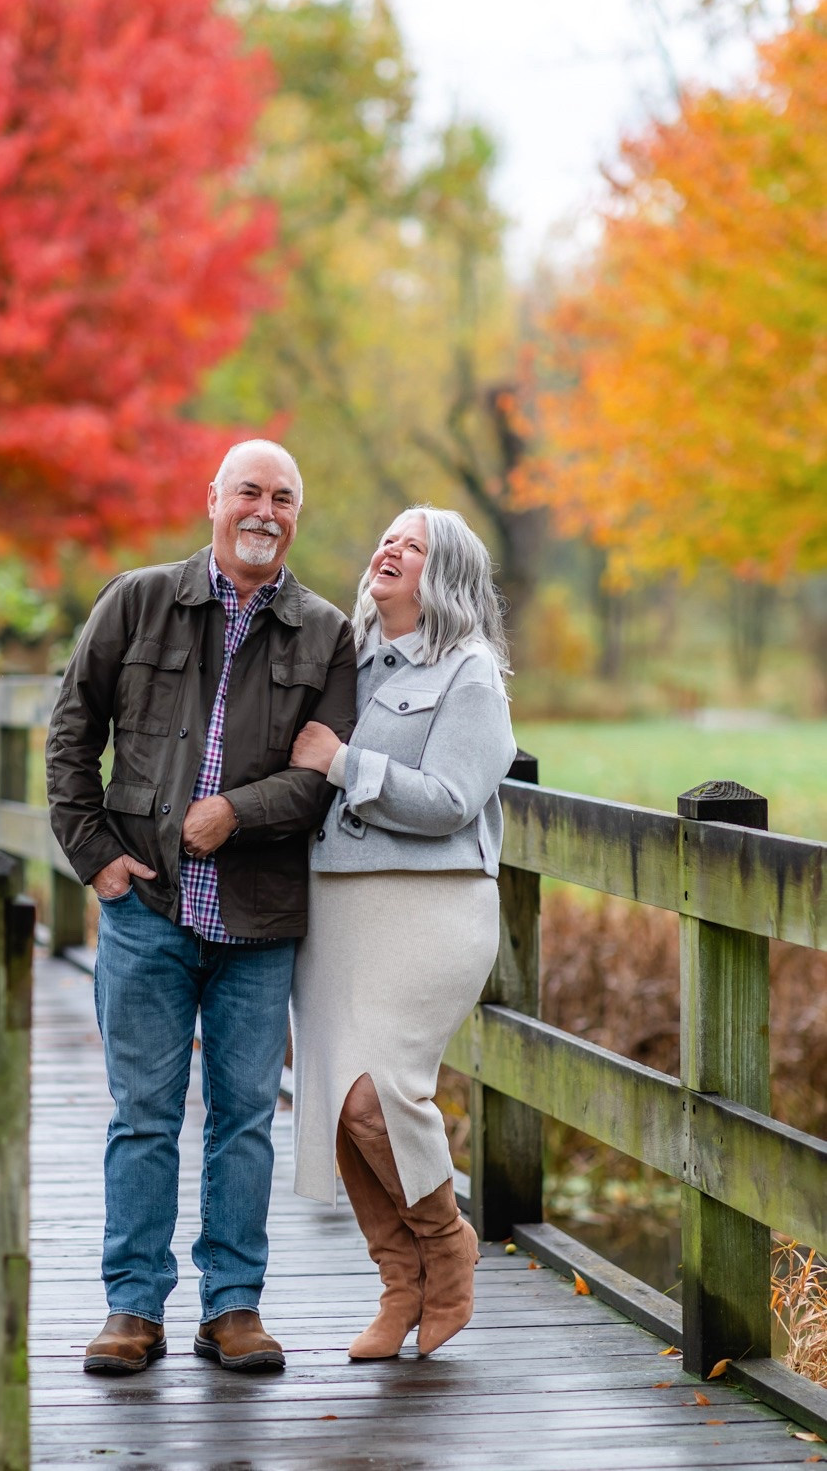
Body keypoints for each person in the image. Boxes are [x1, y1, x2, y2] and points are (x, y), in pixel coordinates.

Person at [45, 440, 356, 1377]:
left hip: (258, 920)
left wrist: (233, 812)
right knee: (143, 1113)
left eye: (285, 498)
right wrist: (93, 853)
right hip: (147, 908)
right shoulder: (137, 599)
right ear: (212, 500)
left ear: (298, 514)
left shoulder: (324, 632)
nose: (265, 510)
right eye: (249, 492)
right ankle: (131, 1306)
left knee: (244, 1116)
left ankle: (234, 1306)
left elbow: (319, 781)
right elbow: (72, 727)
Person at [288, 505, 516, 1361]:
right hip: (334, 911)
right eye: (385, 536)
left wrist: (344, 763)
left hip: (430, 905)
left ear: (445, 574)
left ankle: (446, 1246)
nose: (388, 547)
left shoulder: (470, 672)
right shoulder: (346, 659)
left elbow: (453, 798)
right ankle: (400, 1282)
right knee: (340, 1109)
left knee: (377, 1096)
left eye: (412, 545)